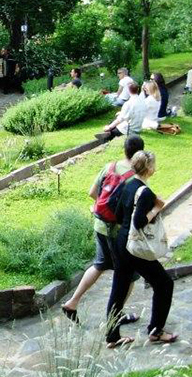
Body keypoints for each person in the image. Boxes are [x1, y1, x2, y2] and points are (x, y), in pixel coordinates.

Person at [61, 136, 145, 324]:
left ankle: (72, 303)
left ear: (124, 150)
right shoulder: (135, 178)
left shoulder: (110, 167)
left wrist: (106, 209)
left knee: (99, 264)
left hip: (100, 225)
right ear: (140, 153)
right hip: (119, 233)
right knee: (129, 274)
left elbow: (92, 193)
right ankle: (116, 315)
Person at [105, 151, 177, 348]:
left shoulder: (127, 184)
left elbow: (117, 213)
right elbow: (138, 222)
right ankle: (156, 331)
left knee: (119, 289)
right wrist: (157, 208)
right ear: (150, 169)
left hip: (122, 243)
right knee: (164, 284)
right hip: (135, 248)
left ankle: (112, 337)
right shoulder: (145, 192)